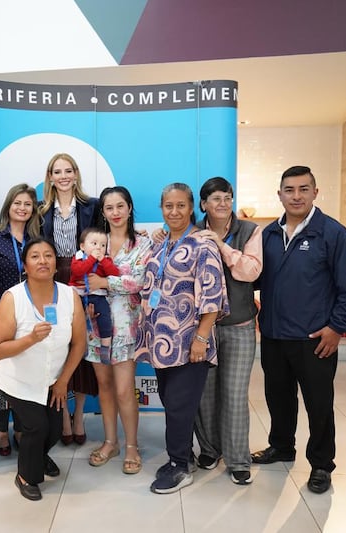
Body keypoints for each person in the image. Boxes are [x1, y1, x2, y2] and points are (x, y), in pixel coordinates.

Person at [251, 166, 346, 494]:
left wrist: (337, 329)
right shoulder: (269, 235)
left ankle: (320, 464)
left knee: (318, 403)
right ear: (280, 195)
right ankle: (282, 446)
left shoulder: (332, 233)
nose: (296, 196)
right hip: (273, 335)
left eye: (303, 189)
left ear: (316, 192)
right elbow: (256, 276)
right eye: (289, 190)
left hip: (314, 339)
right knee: (278, 398)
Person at [135, 182, 229, 494]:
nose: (174, 212)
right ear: (161, 209)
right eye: (168, 206)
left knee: (178, 405)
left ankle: (180, 467)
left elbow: (212, 297)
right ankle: (182, 454)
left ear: (191, 208)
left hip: (189, 343)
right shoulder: (161, 246)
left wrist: (201, 339)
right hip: (161, 342)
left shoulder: (203, 245)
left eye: (180, 206)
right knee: (172, 402)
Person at [0, 237, 87, 501]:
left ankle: (38, 456)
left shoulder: (69, 296)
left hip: (53, 379)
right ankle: (26, 476)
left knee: (55, 429)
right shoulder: (13, 298)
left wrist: (63, 381)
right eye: (35, 256)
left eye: (48, 255)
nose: (42, 261)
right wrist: (30, 339)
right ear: (25, 266)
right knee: (36, 427)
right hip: (17, 379)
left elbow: (79, 344)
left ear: (56, 264)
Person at [191, 177, 263, 485]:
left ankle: (237, 459)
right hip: (202, 328)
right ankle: (210, 449)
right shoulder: (193, 232)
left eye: (227, 198)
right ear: (204, 204)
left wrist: (220, 245)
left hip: (239, 325)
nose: (223, 203)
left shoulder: (249, 230)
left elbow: (250, 271)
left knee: (234, 395)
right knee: (205, 395)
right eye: (216, 198)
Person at [84, 186, 151, 474]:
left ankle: (132, 446)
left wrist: (105, 283)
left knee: (125, 390)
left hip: (126, 326)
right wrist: (88, 292)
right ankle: (110, 441)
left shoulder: (143, 245)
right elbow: (83, 276)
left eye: (120, 206)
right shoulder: (96, 242)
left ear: (130, 208)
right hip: (96, 324)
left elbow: (139, 281)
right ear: (103, 212)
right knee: (105, 388)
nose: (115, 213)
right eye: (109, 208)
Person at [39, 153, 100, 445]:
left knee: (83, 344)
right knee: (59, 342)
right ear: (50, 177)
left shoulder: (93, 206)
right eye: (57, 171)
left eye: (68, 170)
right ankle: (62, 414)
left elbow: (103, 242)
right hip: (52, 277)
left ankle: (78, 414)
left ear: (76, 174)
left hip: (82, 277)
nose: (63, 176)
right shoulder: (41, 211)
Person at [0, 183, 40, 456]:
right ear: (8, 205)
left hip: (32, 315)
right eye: (18, 203)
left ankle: (20, 427)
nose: (22, 208)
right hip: (0, 314)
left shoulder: (38, 236)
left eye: (27, 204)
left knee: (27, 371)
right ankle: (2, 431)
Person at [69, 227, 121, 361]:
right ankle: (81, 345)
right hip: (78, 295)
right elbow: (78, 271)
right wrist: (92, 259)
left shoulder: (105, 259)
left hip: (98, 295)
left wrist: (103, 260)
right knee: (78, 321)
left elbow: (114, 274)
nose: (99, 248)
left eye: (103, 245)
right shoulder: (78, 257)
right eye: (94, 244)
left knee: (105, 318)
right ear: (82, 246)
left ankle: (105, 347)